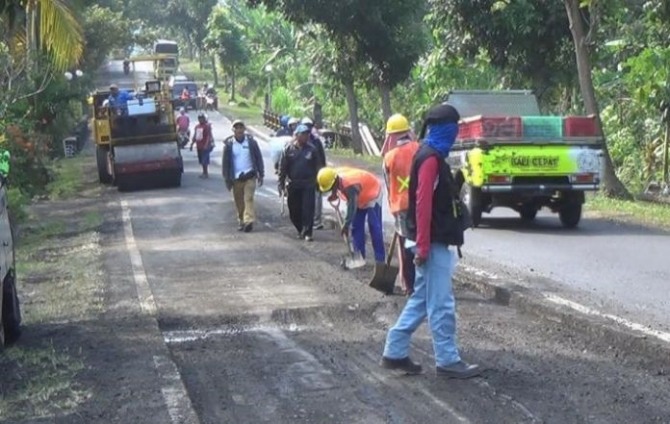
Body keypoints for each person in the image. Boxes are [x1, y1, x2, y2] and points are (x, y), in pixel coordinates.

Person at [381, 103, 481, 379]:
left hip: (429, 239)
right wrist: (423, 246)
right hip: (430, 242)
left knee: (422, 300)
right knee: (441, 303)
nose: (455, 135)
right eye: (453, 130)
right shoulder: (430, 160)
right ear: (445, 130)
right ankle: (448, 359)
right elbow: (423, 203)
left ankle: (395, 350)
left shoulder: (431, 155)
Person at [382, 113, 419, 296]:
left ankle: (408, 286)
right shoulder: (419, 149)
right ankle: (424, 283)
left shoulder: (389, 157)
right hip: (420, 204)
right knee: (422, 242)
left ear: (391, 136)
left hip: (400, 207)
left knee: (405, 247)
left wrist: (393, 207)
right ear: (407, 131)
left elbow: (389, 186)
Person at [317, 166, 385, 263]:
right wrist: (334, 193)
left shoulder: (350, 186)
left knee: (374, 226)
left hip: (372, 192)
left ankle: (380, 260)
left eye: (331, 188)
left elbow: (352, 207)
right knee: (356, 227)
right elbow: (338, 187)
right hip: (359, 195)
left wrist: (346, 224)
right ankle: (359, 257)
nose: (331, 190)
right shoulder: (333, 176)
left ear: (334, 181)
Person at [278, 124, 321, 242]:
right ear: (297, 135)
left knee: (308, 209)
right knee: (294, 210)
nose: (306, 136)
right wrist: (281, 184)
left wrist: (319, 182)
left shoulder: (312, 150)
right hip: (293, 184)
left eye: (307, 134)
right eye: (303, 134)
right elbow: (282, 168)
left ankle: (308, 232)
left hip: (308, 183)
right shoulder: (288, 149)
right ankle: (300, 228)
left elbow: (318, 168)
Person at [222, 120, 265, 233]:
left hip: (250, 176)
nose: (239, 130)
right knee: (239, 201)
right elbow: (225, 163)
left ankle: (248, 221)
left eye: (241, 127)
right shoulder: (229, 145)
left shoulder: (251, 143)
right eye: (237, 128)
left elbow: (258, 158)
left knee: (248, 198)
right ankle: (241, 220)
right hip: (236, 178)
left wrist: (261, 173)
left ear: (244, 130)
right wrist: (227, 179)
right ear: (234, 130)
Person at [302, 117, 327, 230]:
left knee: (317, 197)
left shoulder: (316, 142)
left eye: (309, 126)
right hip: (303, 175)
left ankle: (317, 220)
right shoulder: (298, 141)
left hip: (316, 174)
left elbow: (322, 158)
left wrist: (322, 173)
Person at [189, 113, 214, 179]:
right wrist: (192, 144)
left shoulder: (207, 126)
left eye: (202, 118)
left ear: (204, 119)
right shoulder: (197, 127)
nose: (201, 120)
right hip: (199, 146)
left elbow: (209, 136)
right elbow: (195, 136)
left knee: (204, 160)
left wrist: (206, 144)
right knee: (201, 160)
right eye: (199, 118)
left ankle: (206, 173)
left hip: (205, 146)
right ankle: (203, 172)